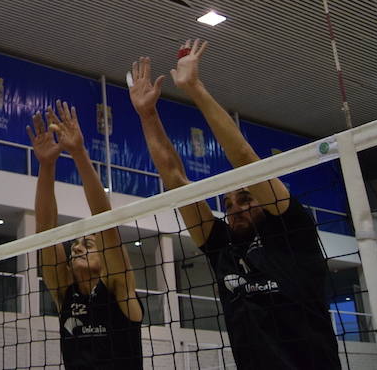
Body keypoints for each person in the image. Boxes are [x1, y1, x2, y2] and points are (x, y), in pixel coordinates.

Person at [128, 40, 341, 370]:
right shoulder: (222, 246)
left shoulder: (291, 229)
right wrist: (148, 114)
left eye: (244, 199)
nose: (234, 208)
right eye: (227, 203)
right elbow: (174, 178)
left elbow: (243, 157)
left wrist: (195, 88)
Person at [28, 100, 143, 369]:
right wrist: (46, 165)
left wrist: (78, 152)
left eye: (87, 244)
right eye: (76, 245)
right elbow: (45, 232)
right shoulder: (65, 293)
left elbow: (106, 223)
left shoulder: (119, 290)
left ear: (106, 258)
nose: (76, 248)